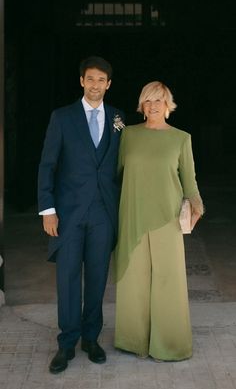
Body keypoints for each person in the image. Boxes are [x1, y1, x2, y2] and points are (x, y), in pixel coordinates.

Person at [38, 56, 125, 373]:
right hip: (69, 214)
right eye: (90, 79)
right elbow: (47, 165)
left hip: (103, 212)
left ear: (108, 84)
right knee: (69, 279)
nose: (95, 85)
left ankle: (91, 338)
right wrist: (48, 209)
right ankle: (66, 344)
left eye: (101, 80)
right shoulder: (62, 117)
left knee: (98, 278)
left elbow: (123, 164)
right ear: (81, 81)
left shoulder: (119, 118)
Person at [114, 81, 204, 361]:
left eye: (158, 101)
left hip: (168, 218)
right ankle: (133, 341)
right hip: (133, 214)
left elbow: (189, 180)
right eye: (147, 101)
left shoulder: (181, 138)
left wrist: (197, 206)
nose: (153, 106)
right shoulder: (128, 135)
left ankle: (170, 344)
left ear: (168, 105)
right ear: (141, 105)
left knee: (169, 281)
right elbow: (114, 175)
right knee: (132, 279)